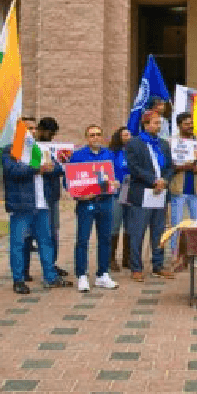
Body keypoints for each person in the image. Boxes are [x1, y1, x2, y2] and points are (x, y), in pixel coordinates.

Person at [2, 117, 70, 294]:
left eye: (33, 128)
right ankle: (18, 279)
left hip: (43, 204)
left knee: (46, 241)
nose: (32, 131)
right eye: (27, 128)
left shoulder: (41, 149)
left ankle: (50, 276)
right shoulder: (10, 150)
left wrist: (51, 167)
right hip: (22, 205)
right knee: (18, 243)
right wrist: (36, 168)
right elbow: (12, 171)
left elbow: (57, 168)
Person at [124, 109, 175, 281]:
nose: (158, 126)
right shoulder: (134, 143)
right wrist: (153, 180)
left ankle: (158, 265)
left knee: (159, 232)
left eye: (159, 123)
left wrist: (164, 181)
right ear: (145, 125)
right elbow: (134, 167)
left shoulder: (163, 144)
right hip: (142, 193)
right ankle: (136, 268)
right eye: (155, 123)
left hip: (160, 193)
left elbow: (170, 167)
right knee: (138, 232)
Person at [68, 124, 120, 293]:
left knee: (105, 238)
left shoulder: (109, 154)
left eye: (98, 134)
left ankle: (102, 274)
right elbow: (68, 181)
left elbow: (117, 176)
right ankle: (81, 275)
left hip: (106, 201)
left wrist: (116, 183)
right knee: (83, 240)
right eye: (92, 135)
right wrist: (79, 195)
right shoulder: (78, 156)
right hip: (85, 203)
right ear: (87, 138)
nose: (95, 137)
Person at [23, 116, 69, 283]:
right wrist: (44, 168)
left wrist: (51, 168)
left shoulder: (54, 148)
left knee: (52, 233)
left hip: (51, 196)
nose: (49, 136)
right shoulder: (29, 148)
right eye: (47, 132)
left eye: (52, 133)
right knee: (27, 234)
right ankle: (23, 269)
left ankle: (51, 264)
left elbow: (61, 167)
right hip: (32, 196)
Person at [169, 113, 197, 271]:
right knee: (176, 225)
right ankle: (176, 256)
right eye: (187, 124)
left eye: (191, 123)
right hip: (178, 189)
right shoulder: (172, 142)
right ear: (179, 125)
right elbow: (169, 165)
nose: (190, 126)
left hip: (196, 189)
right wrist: (185, 167)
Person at [108, 126, 132, 272]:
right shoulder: (112, 153)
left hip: (131, 192)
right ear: (118, 137)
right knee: (115, 225)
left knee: (130, 226)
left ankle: (127, 258)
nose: (128, 137)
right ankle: (111, 258)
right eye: (125, 135)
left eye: (129, 134)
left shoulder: (133, 152)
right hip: (116, 193)